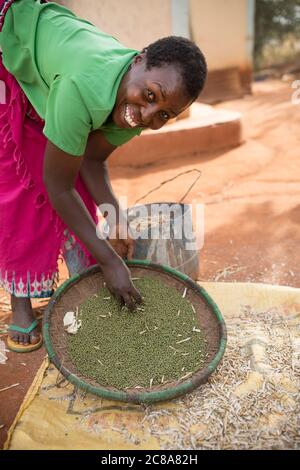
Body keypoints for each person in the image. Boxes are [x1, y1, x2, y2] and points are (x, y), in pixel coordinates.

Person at [0, 0, 207, 352]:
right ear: (139, 60)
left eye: (164, 114)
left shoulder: (140, 104)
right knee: (25, 185)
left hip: (60, 71)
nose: (147, 115)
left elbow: (91, 161)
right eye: (150, 96)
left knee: (71, 164)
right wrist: (111, 260)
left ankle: (86, 277)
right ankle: (21, 301)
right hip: (12, 43)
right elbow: (58, 186)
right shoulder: (84, 86)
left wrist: (116, 219)